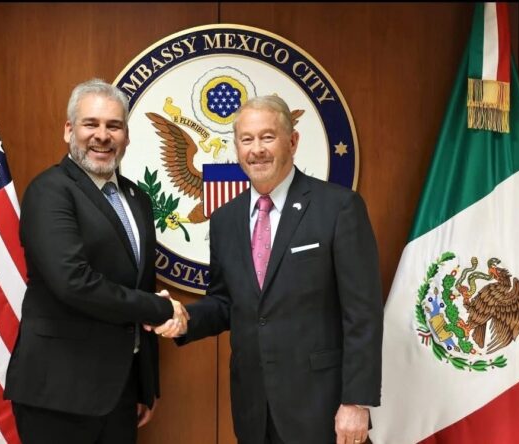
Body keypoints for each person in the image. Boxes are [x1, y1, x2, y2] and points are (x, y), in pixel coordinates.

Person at [155, 95, 384, 444]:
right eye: (247, 139)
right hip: (253, 408)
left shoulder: (338, 208)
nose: (257, 150)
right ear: (237, 147)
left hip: (321, 407)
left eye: (267, 137)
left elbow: (363, 313)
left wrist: (356, 401)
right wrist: (184, 319)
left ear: (292, 141)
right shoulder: (225, 219)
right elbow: (226, 302)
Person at [4, 78, 188, 444]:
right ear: (69, 130)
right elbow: (73, 282)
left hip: (120, 391)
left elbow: (141, 283)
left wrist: (144, 384)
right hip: (59, 394)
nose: (102, 136)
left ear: (126, 136)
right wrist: (159, 309)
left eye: (114, 126)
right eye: (91, 124)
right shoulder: (49, 190)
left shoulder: (137, 198)